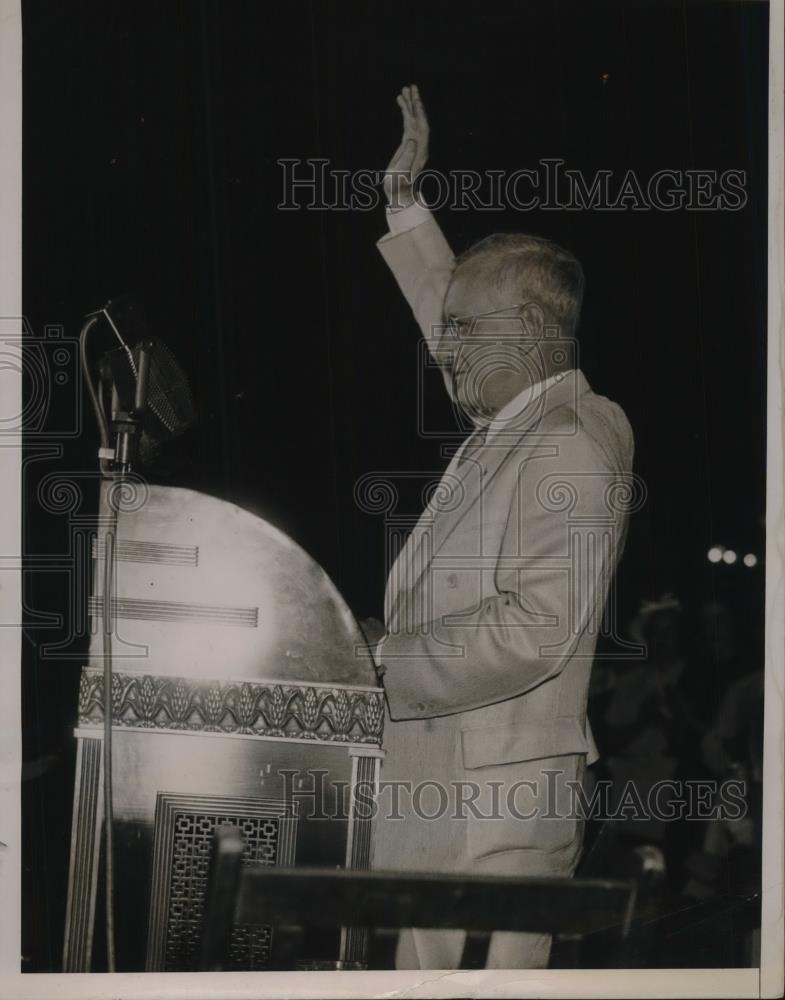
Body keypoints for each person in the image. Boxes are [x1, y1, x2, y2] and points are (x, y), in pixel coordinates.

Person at [364, 85, 635, 970]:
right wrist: (405, 209)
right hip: (442, 816)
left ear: (524, 334)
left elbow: (538, 627)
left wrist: (380, 659)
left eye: (459, 334)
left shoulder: (572, 441)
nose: (440, 351)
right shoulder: (516, 418)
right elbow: (462, 311)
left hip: (493, 827)